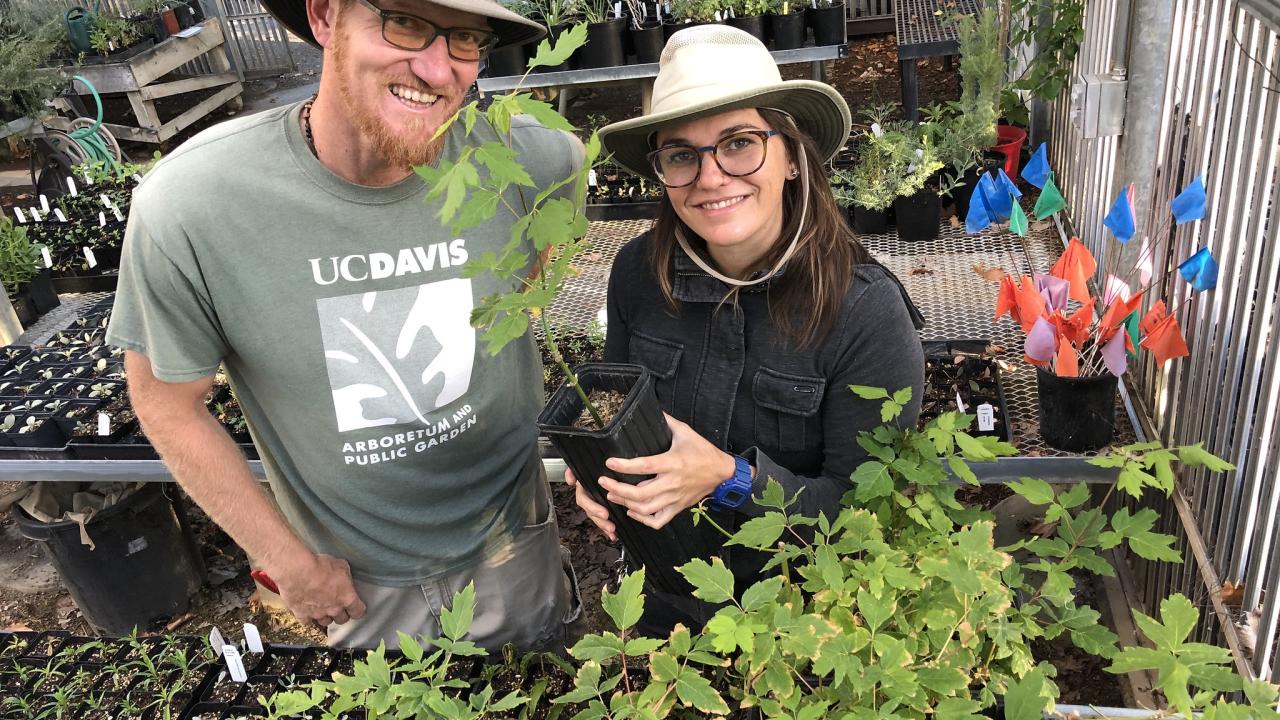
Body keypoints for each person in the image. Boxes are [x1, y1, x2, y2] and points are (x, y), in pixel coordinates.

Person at [105, 0, 583, 650]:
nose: (438, 68)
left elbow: (536, 280)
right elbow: (165, 401)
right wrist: (289, 563)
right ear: (326, 17)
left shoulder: (537, 161)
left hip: (514, 549)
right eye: (406, 22)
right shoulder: (193, 207)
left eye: (467, 37)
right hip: (358, 587)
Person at [567, 25, 926, 636]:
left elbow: (866, 511)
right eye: (681, 153)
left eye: (738, 143)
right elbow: (617, 414)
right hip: (665, 601)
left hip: (806, 621)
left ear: (791, 156)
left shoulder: (863, 314)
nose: (710, 177)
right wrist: (602, 476)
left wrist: (729, 478)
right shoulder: (636, 275)